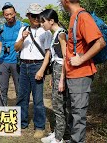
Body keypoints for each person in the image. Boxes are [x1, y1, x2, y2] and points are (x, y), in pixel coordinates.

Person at [60, 0, 106, 143]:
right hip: (73, 75)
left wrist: (81, 59)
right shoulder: (74, 17)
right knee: (73, 113)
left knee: (78, 115)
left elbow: (100, 42)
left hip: (81, 75)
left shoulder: (82, 17)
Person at [14, 3, 52, 138]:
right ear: (28, 16)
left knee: (38, 99)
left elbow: (48, 53)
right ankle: (21, 123)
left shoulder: (46, 31)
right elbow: (16, 48)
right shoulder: (23, 29)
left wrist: (42, 70)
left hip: (38, 66)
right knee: (22, 97)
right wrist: (23, 37)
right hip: (23, 66)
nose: (36, 18)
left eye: (38, 15)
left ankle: (39, 126)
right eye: (33, 15)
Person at [39, 9, 69, 143]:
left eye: (43, 21)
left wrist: (62, 79)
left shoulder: (61, 34)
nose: (41, 24)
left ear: (51, 21)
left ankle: (59, 138)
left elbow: (66, 57)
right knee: (56, 104)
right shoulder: (55, 34)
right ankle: (57, 132)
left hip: (62, 72)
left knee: (59, 106)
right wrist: (53, 77)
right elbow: (56, 58)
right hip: (57, 71)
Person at [0, 2, 22, 106]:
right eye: (6, 14)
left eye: (11, 14)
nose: (9, 16)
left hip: (17, 62)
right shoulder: (0, 28)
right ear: (3, 15)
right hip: (3, 62)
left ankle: (20, 114)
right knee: (2, 90)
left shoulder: (22, 26)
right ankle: (2, 113)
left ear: (15, 13)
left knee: (19, 89)